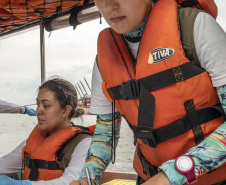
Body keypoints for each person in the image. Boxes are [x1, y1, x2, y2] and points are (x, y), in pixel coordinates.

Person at [70, 0, 226, 185]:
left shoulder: (197, 27)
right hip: (149, 177)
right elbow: (106, 134)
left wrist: (172, 174)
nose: (109, 5)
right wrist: (88, 177)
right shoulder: (103, 60)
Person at [0, 77, 94, 185]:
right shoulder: (32, 142)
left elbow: (70, 181)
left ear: (66, 110)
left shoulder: (84, 143)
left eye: (46, 105)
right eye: (37, 104)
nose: (38, 110)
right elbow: (4, 165)